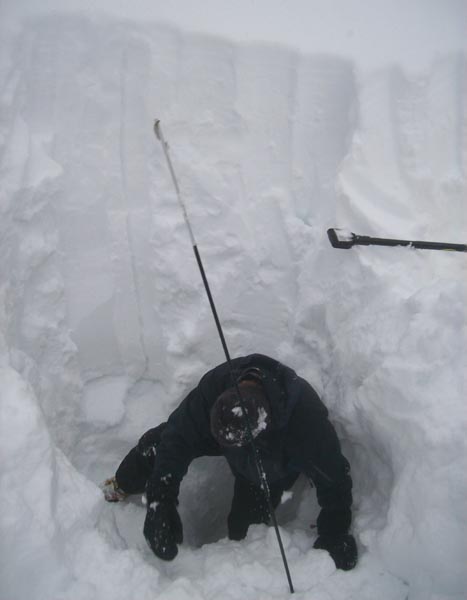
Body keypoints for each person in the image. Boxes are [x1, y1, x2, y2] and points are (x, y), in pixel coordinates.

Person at [102, 353, 357, 570]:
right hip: (232, 437)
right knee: (157, 443)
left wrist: (335, 533)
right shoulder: (217, 385)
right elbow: (177, 436)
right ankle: (122, 483)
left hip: (268, 468)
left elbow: (334, 478)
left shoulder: (306, 423)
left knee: (245, 533)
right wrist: (161, 498)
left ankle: (241, 546)